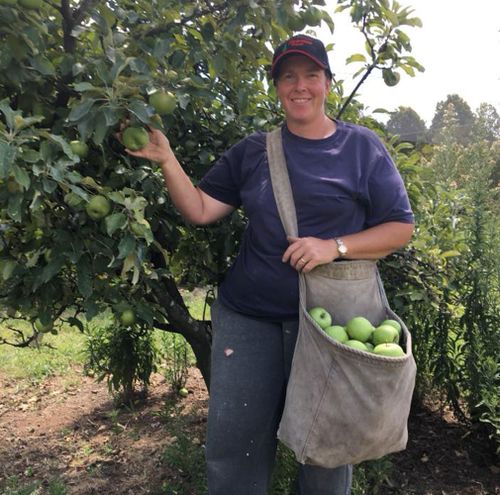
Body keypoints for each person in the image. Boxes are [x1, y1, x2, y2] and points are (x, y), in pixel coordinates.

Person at [122, 34, 414, 495]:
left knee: (328, 446)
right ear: (276, 87)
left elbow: (400, 228)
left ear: (328, 83)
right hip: (250, 319)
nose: (300, 86)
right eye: (288, 77)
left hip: (331, 325)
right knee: (235, 446)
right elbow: (200, 209)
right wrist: (166, 158)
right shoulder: (254, 151)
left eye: (311, 75)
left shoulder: (361, 147)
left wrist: (332, 246)